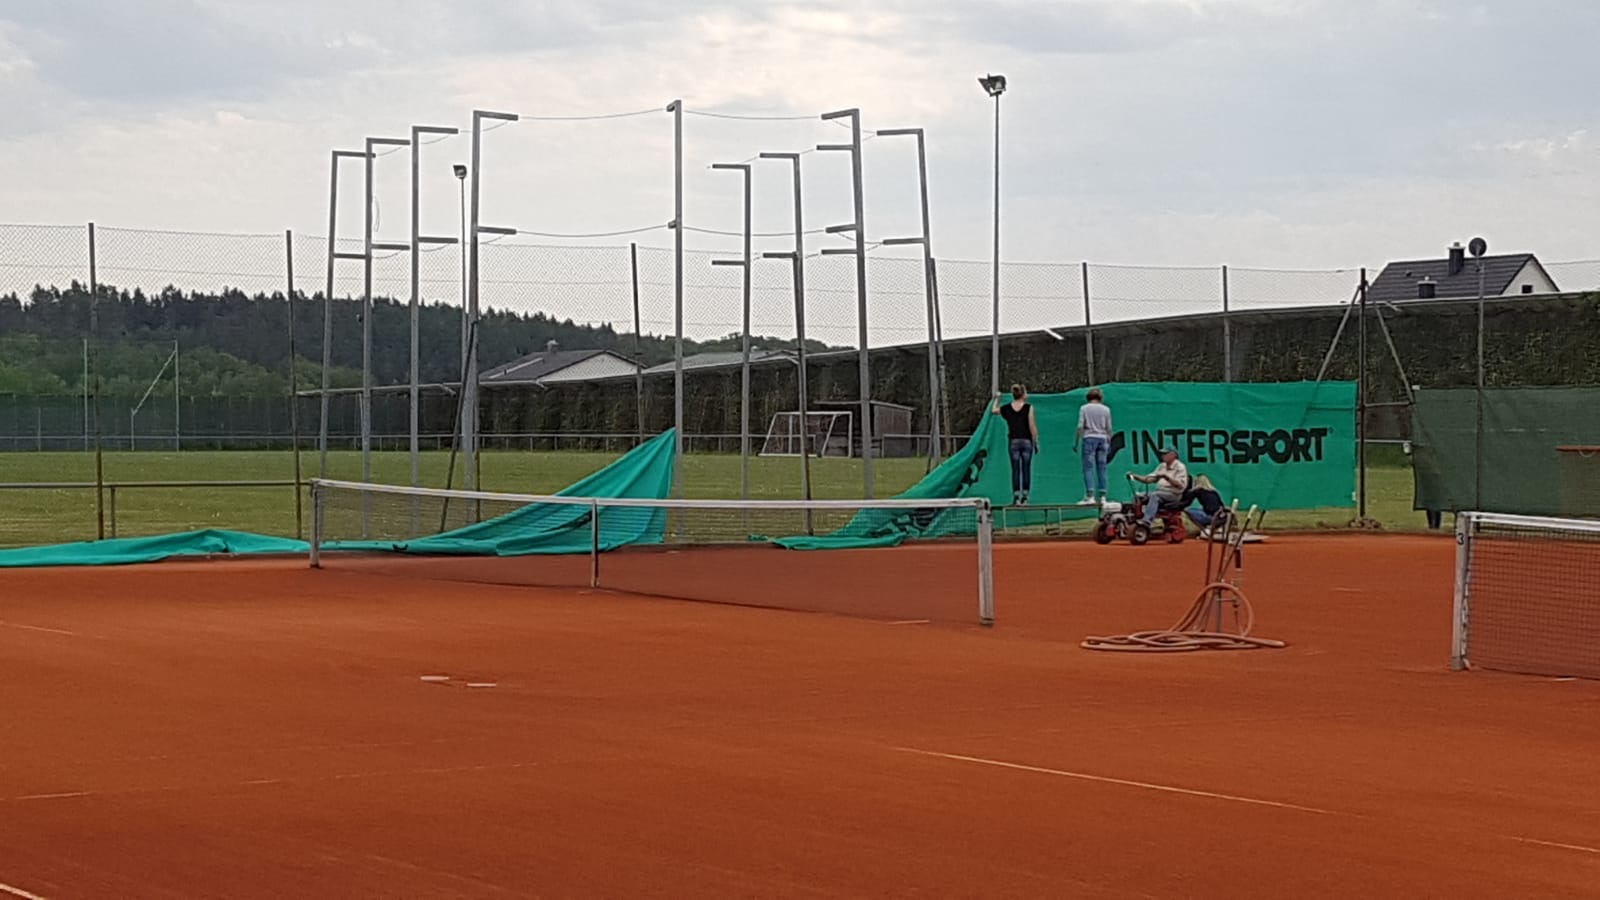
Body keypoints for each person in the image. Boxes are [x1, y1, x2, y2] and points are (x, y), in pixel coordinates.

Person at [992, 385, 1039, 506]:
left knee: (1016, 470)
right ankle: (1025, 498)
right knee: (1026, 469)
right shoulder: (1028, 408)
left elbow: (994, 410)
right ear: (1023, 395)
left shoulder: (1007, 408)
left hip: (1013, 441)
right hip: (1026, 441)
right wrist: (1035, 441)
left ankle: (1016, 497)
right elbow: (1032, 426)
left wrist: (997, 398)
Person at [1132, 447, 1189, 528]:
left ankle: (1146, 521)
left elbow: (1180, 485)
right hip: (1161, 492)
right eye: (1162, 454)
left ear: (1173, 455)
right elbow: (1149, 479)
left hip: (1174, 495)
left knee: (1155, 495)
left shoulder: (1180, 467)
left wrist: (1166, 477)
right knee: (1139, 496)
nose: (1163, 456)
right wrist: (1134, 476)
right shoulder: (1162, 466)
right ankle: (1135, 519)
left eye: (1165, 454)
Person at [1073, 388, 1112, 504]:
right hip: (1103, 438)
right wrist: (1109, 441)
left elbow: (1080, 426)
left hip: (1089, 437)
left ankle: (1090, 496)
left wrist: (1076, 441)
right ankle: (1103, 496)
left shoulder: (1084, 408)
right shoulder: (1106, 409)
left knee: (1088, 467)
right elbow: (1109, 427)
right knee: (1102, 467)